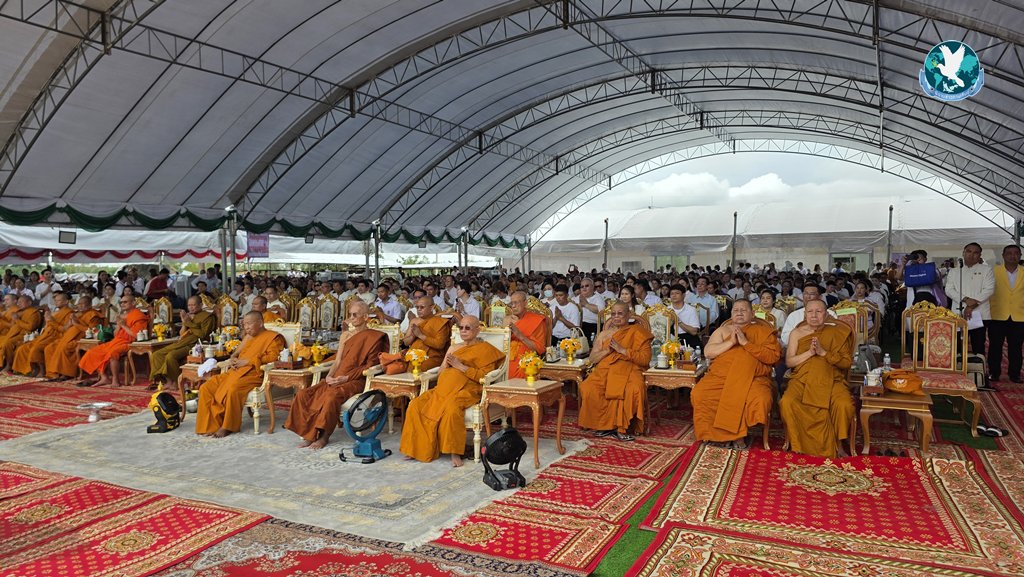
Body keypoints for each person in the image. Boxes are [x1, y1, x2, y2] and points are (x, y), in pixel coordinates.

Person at [399, 315, 505, 466]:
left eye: (467, 328)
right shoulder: (453, 348)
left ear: (477, 330)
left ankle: (454, 452)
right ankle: (415, 448)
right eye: (461, 327)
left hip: (467, 390)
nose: (463, 331)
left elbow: (483, 376)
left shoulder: (486, 350)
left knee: (451, 409)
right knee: (415, 405)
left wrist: (460, 366)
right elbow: (441, 372)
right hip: (442, 389)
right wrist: (447, 365)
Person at [285, 300, 389, 448]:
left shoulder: (374, 337)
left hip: (356, 380)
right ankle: (309, 434)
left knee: (331, 396)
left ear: (366, 317)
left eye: (355, 315)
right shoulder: (345, 335)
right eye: (350, 315)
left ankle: (324, 436)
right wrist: (329, 376)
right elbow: (338, 361)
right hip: (337, 377)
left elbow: (370, 366)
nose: (351, 318)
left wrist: (346, 378)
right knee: (303, 395)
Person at [691, 299, 782, 448]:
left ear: (752, 313)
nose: (739, 313)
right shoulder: (722, 331)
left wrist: (746, 343)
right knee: (700, 393)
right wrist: (731, 343)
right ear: (731, 313)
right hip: (721, 376)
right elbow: (708, 352)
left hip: (753, 377)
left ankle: (734, 435)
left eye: (743, 310)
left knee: (759, 398)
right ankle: (717, 434)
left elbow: (773, 357)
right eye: (736, 310)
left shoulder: (763, 332)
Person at [778, 299, 855, 458]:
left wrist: (823, 353)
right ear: (805, 314)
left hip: (832, 379)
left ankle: (838, 445)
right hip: (802, 380)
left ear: (826, 314)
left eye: (818, 312)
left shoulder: (838, 333)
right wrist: (810, 353)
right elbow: (789, 362)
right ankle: (797, 443)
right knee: (787, 402)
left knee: (844, 405)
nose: (814, 315)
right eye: (810, 312)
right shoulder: (796, 333)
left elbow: (846, 363)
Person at [195, 311, 286, 438]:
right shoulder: (249, 337)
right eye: (244, 324)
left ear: (260, 323)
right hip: (235, 371)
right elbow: (236, 353)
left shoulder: (273, 338)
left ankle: (228, 426)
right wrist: (233, 358)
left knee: (233, 390)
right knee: (206, 387)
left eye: (249, 324)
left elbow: (274, 358)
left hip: (253, 374)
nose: (246, 327)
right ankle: (209, 426)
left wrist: (248, 361)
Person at [578, 301, 653, 441]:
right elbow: (592, 358)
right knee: (588, 387)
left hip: (630, 368)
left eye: (620, 313)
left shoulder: (638, 332)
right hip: (606, 369)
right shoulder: (604, 334)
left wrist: (623, 350)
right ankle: (604, 426)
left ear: (629, 315)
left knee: (633, 389)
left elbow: (645, 359)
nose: (616, 317)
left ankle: (621, 427)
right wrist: (607, 351)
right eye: (613, 314)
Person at [78, 294, 148, 387]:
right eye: (121, 302)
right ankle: (104, 378)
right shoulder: (122, 316)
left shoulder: (139, 316)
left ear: (133, 303)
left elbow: (136, 335)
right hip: (116, 341)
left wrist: (124, 325)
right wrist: (119, 326)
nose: (122, 304)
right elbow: (115, 335)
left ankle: (116, 379)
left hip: (129, 342)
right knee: (93, 351)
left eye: (125, 302)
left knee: (112, 353)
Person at [149, 296, 216, 390]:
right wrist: (184, 322)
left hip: (196, 345)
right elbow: (182, 333)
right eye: (189, 305)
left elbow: (202, 334)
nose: (191, 307)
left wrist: (189, 322)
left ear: (200, 305)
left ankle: (177, 382)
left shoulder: (208, 317)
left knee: (171, 356)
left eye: (193, 305)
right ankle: (167, 381)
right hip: (184, 341)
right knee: (157, 354)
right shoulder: (188, 316)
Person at [944, 242, 994, 356]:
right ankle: (958, 367)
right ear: (963, 253)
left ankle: (978, 367)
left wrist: (971, 306)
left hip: (980, 313)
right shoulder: (954, 271)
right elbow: (949, 290)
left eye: (976, 252)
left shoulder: (987, 270)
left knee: (978, 346)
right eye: (969, 251)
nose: (971, 255)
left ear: (980, 255)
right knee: (957, 346)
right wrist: (965, 299)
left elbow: (989, 289)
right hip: (958, 313)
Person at [11, 291, 71, 377]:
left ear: (66, 301)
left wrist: (50, 320)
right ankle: (29, 369)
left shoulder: (69, 313)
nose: (56, 302)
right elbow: (48, 326)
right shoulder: (55, 312)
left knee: (36, 348)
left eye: (59, 300)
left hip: (56, 336)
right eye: (55, 300)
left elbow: (64, 329)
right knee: (24, 348)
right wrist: (48, 321)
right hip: (45, 335)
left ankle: (42, 370)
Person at [988, 244, 1024, 383]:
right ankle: (994, 373)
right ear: (1003, 256)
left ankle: (1015, 374)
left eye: (1016, 253)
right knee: (995, 346)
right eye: (1009, 253)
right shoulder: (993, 271)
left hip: (1019, 316)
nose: (1012, 256)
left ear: (1020, 256)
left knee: (1016, 347)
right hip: (997, 314)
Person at [45, 296, 103, 380]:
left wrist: (76, 323)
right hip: (68, 337)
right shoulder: (77, 315)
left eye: (82, 304)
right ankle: (54, 372)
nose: (80, 306)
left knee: (65, 347)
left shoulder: (93, 315)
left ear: (90, 305)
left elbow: (93, 331)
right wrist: (71, 322)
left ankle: (66, 373)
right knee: (49, 348)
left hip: (82, 339)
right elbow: (66, 329)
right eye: (79, 304)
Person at [503, 290, 547, 378]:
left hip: (526, 359)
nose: (513, 306)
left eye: (516, 303)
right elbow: (502, 343)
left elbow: (540, 349)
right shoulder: (507, 320)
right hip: (507, 357)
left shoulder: (536, 321)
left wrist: (519, 335)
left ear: (525, 303)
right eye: (512, 303)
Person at [402, 296, 451, 371]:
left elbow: (439, 344)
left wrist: (420, 335)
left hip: (431, 358)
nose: (419, 309)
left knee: (418, 367)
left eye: (422, 307)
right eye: (417, 307)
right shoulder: (414, 321)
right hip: (413, 355)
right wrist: (413, 335)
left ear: (432, 307)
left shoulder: (440, 322)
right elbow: (406, 342)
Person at [0, 294, 43, 372]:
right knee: (7, 342)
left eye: (21, 302)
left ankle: (9, 365)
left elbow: (30, 327)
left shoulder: (34, 313)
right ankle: (7, 364)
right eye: (18, 302)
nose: (19, 304)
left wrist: (17, 320)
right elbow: (14, 325)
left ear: (29, 303)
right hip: (16, 333)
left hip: (26, 335)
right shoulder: (20, 312)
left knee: (8, 343)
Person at [668, 284, 701, 349]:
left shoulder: (691, 310)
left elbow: (694, 332)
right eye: (672, 294)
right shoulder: (666, 310)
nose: (674, 295)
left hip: (687, 338)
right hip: (670, 340)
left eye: (677, 293)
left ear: (683, 295)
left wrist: (678, 321)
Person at [573, 278, 605, 344]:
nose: (584, 288)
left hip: (593, 326)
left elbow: (601, 311)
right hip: (578, 326)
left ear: (593, 287)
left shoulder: (598, 298)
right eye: (582, 287)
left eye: (587, 286)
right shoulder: (575, 298)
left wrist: (586, 304)